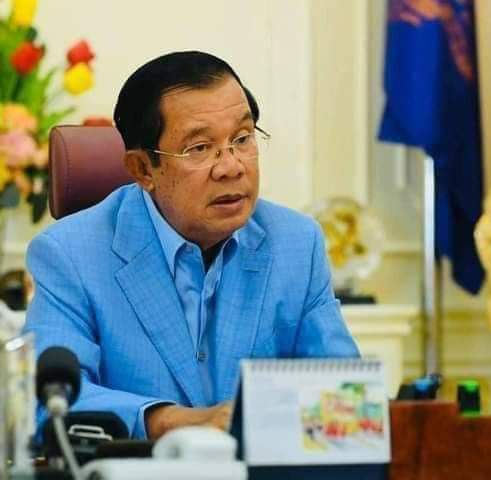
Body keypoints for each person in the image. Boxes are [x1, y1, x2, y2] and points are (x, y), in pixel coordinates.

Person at [24, 51, 359, 440]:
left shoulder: (296, 243)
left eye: (242, 139)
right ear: (143, 169)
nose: (231, 166)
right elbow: (48, 402)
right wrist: (169, 422)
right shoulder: (70, 255)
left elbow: (343, 396)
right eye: (199, 148)